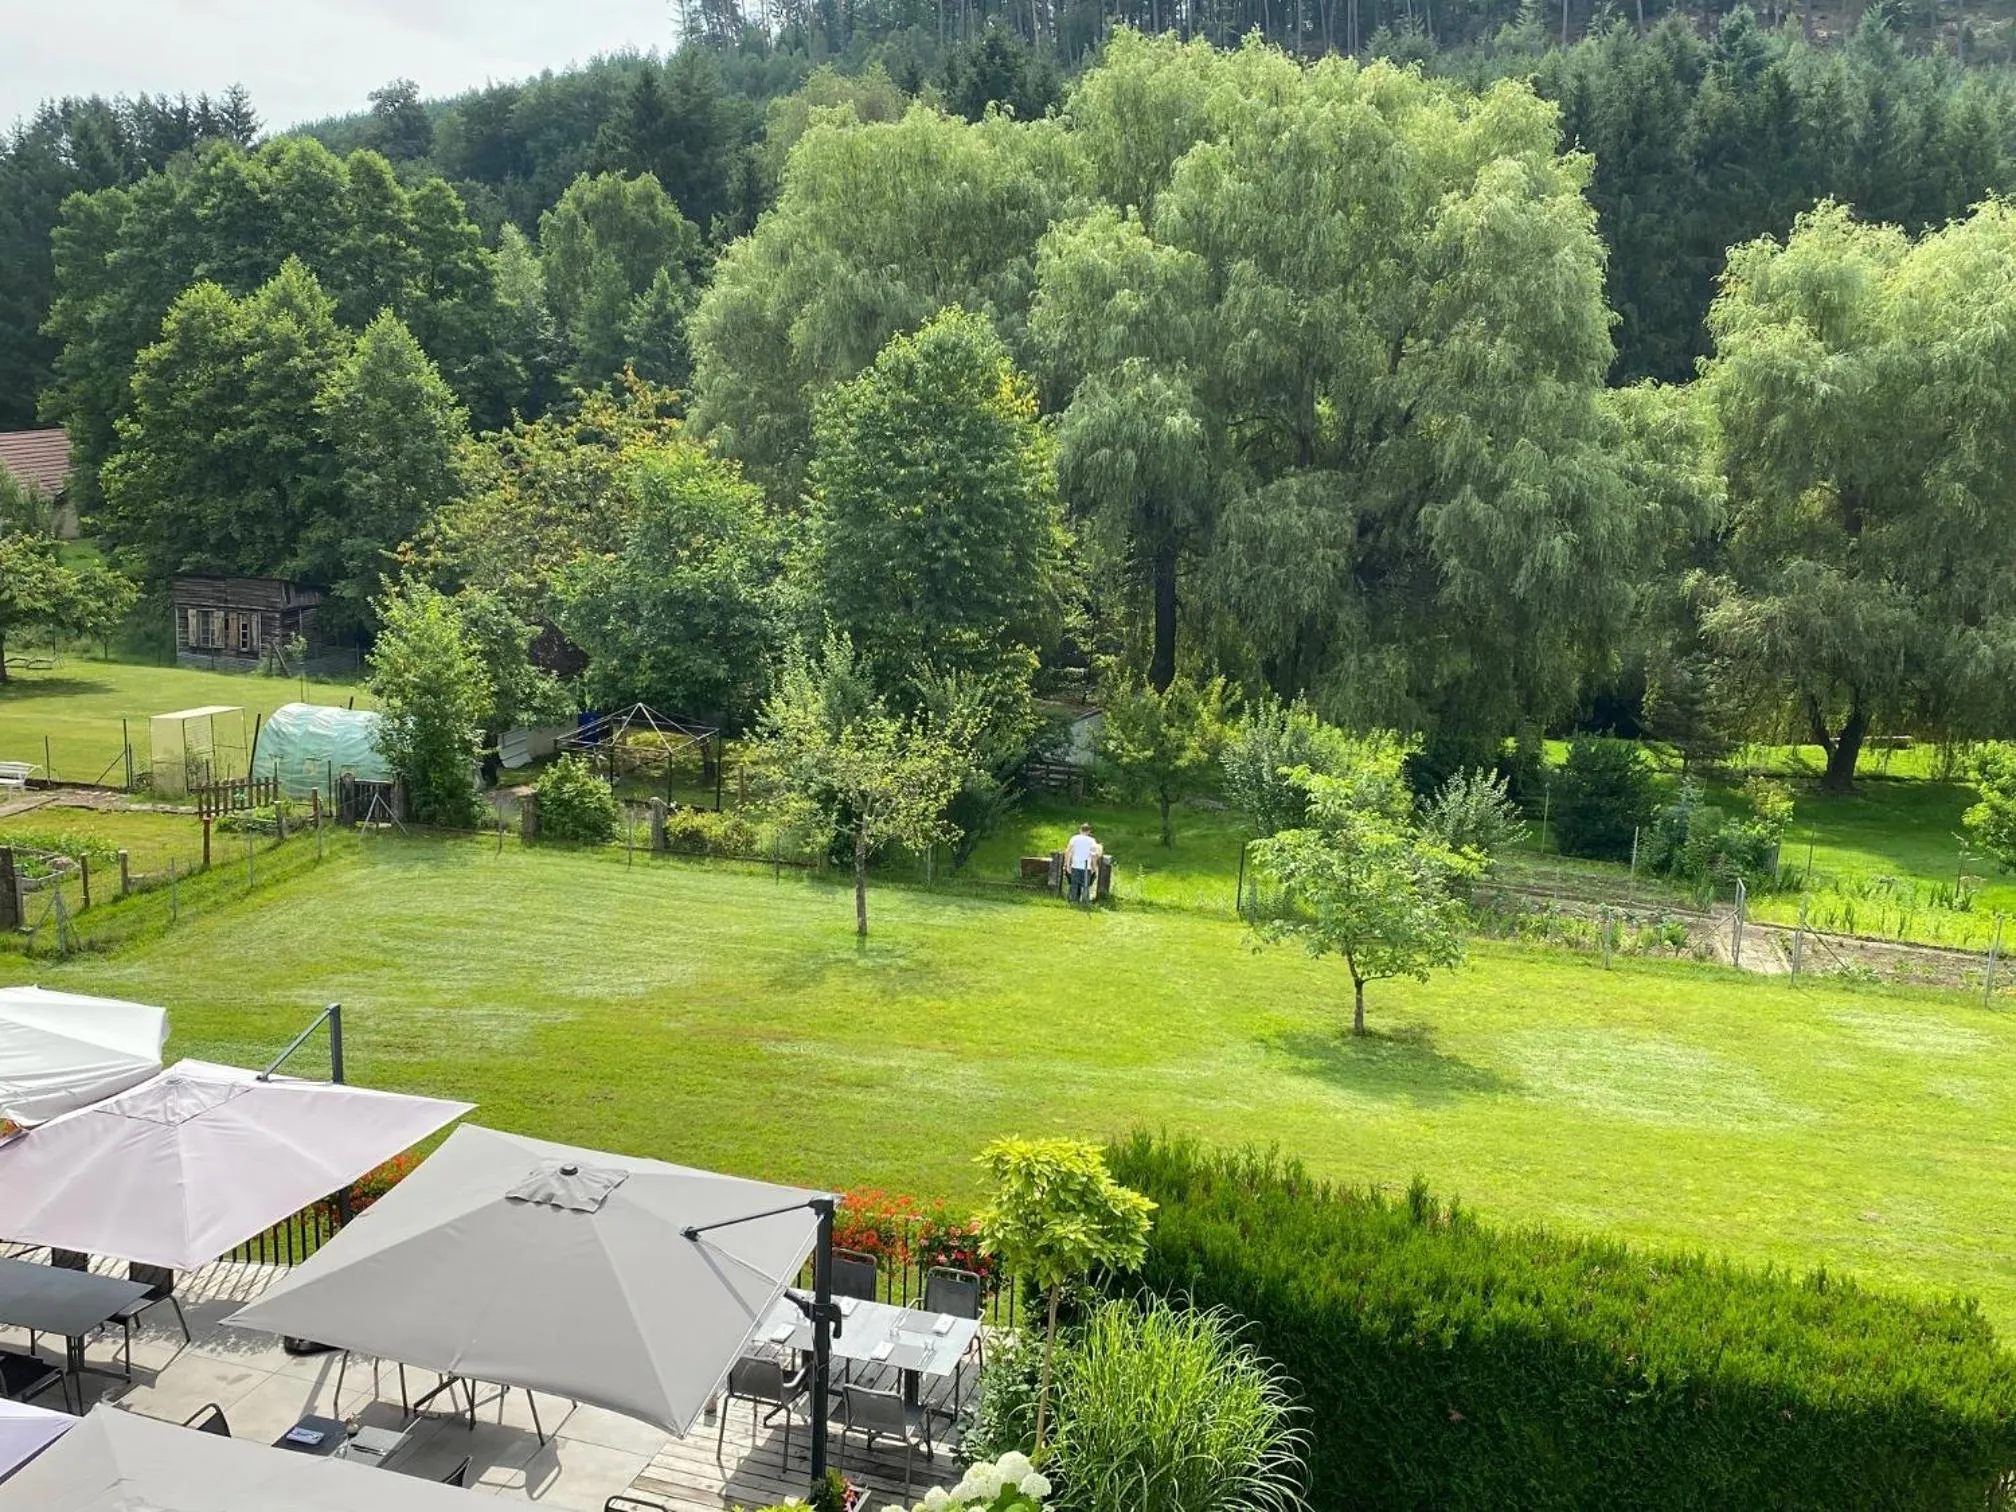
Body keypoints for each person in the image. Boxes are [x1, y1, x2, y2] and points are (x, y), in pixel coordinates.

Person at [1065, 823, 1100, 905]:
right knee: (1085, 885)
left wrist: (1067, 865)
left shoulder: (1074, 838)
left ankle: (1073, 901)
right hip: (1086, 867)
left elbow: (1068, 852)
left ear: (1080, 830)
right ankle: (1085, 902)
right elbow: (1095, 854)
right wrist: (1094, 867)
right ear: (1089, 831)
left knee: (1074, 884)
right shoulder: (1091, 840)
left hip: (1075, 865)